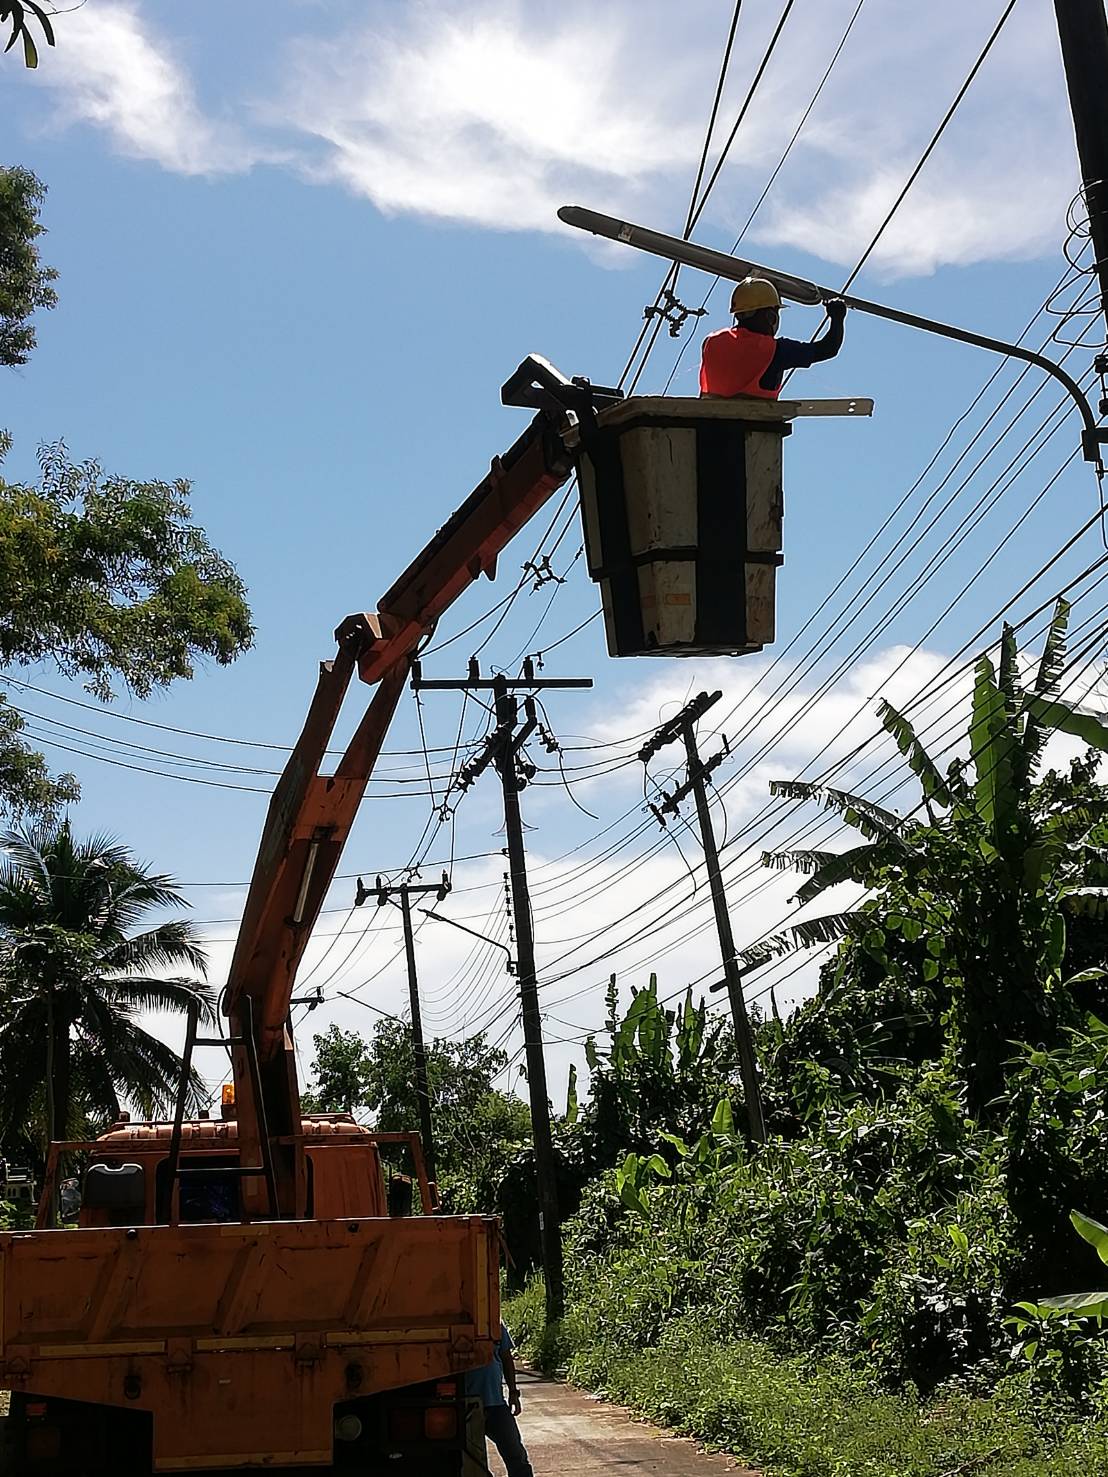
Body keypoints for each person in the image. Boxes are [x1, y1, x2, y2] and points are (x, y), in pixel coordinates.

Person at [700, 277, 847, 400]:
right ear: (770, 317)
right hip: (753, 426)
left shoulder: (711, 342)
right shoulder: (775, 350)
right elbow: (828, 349)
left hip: (708, 425)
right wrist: (837, 317)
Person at [466, 1320, 534, 1477]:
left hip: (495, 1403)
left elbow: (506, 1358)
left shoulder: (495, 1323)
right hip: (464, 1405)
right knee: (470, 1461)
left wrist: (513, 1393)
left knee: (515, 1452)